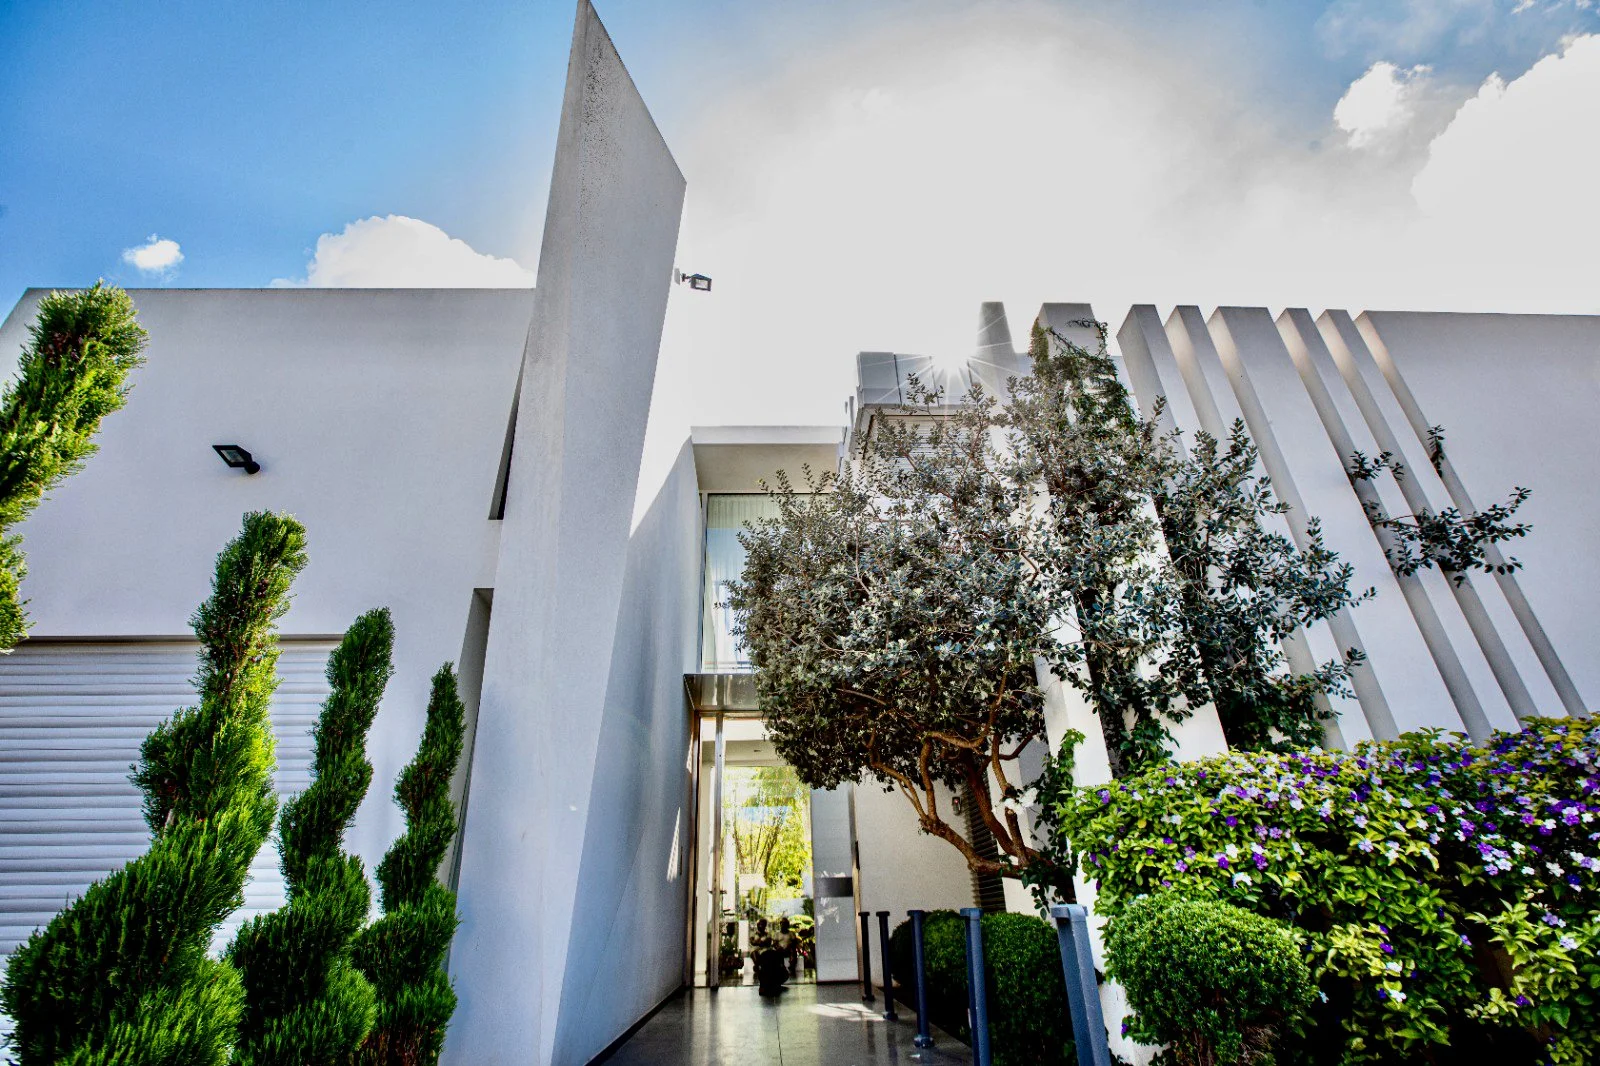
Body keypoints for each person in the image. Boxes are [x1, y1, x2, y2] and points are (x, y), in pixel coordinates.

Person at [751, 918, 788, 996]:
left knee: (773, 956)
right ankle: (757, 966)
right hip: (758, 951)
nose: (761, 926)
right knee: (757, 956)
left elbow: (767, 943)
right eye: (759, 924)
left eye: (763, 924)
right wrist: (760, 942)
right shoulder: (753, 933)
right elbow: (753, 942)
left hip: (766, 951)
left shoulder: (768, 934)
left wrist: (759, 942)